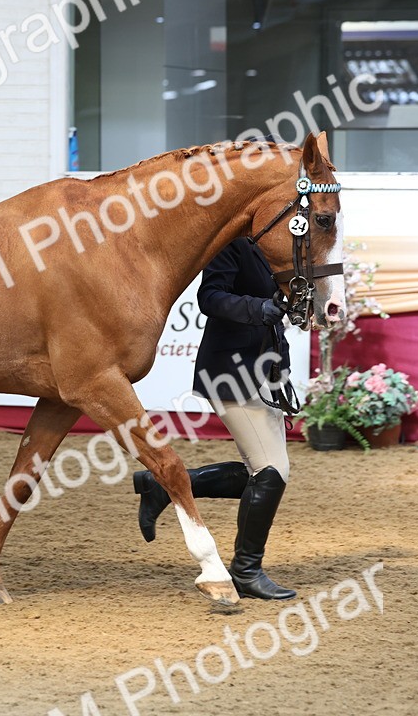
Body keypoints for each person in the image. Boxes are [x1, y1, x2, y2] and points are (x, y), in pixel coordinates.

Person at [133, 237, 296, 600]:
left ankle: (163, 485)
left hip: (267, 369)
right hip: (231, 370)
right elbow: (210, 297)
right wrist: (259, 308)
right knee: (271, 471)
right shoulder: (232, 244)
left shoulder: (275, 245)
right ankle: (246, 570)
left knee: (264, 471)